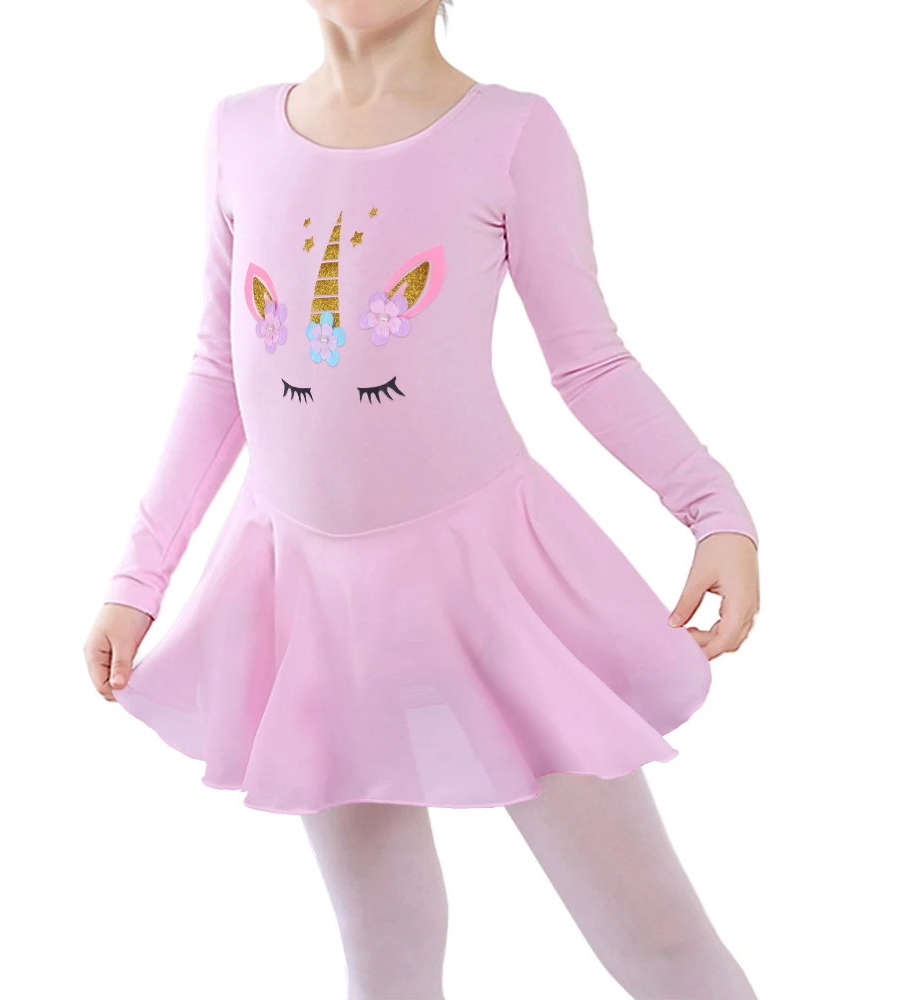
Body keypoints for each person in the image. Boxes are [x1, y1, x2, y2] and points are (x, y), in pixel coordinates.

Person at [83, 1, 760, 996]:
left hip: (491, 583)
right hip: (306, 594)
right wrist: (138, 578)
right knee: (383, 936)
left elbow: (588, 360)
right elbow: (219, 370)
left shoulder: (510, 134)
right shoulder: (238, 131)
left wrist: (713, 509)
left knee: (653, 930)